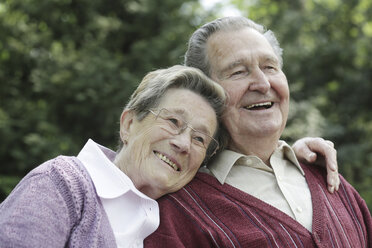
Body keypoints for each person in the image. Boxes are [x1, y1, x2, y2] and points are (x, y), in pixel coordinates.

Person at [144, 17, 371, 247]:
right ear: (205, 95)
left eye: (270, 67)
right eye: (239, 72)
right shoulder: (179, 212)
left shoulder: (332, 182)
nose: (263, 84)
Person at [0, 65, 227, 247]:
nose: (183, 144)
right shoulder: (61, 183)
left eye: (199, 139)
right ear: (128, 124)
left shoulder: (175, 229)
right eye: (173, 121)